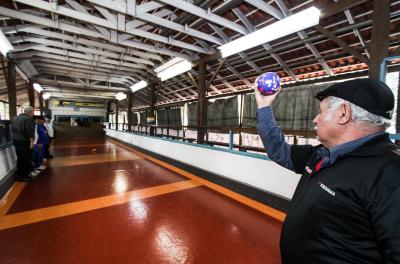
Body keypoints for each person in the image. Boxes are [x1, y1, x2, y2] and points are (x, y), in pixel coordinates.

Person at [255, 78, 400, 263]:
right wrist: (264, 107)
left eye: (321, 112)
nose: (315, 120)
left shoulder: (391, 174)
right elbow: (279, 151)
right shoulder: (322, 154)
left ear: (343, 113)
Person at [11, 106, 35, 181]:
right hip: (25, 141)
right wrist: (31, 142)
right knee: (26, 158)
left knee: (20, 158)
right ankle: (24, 176)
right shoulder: (29, 119)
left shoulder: (15, 118)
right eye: (33, 112)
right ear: (30, 112)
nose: (33, 114)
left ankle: (19, 174)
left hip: (16, 140)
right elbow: (29, 131)